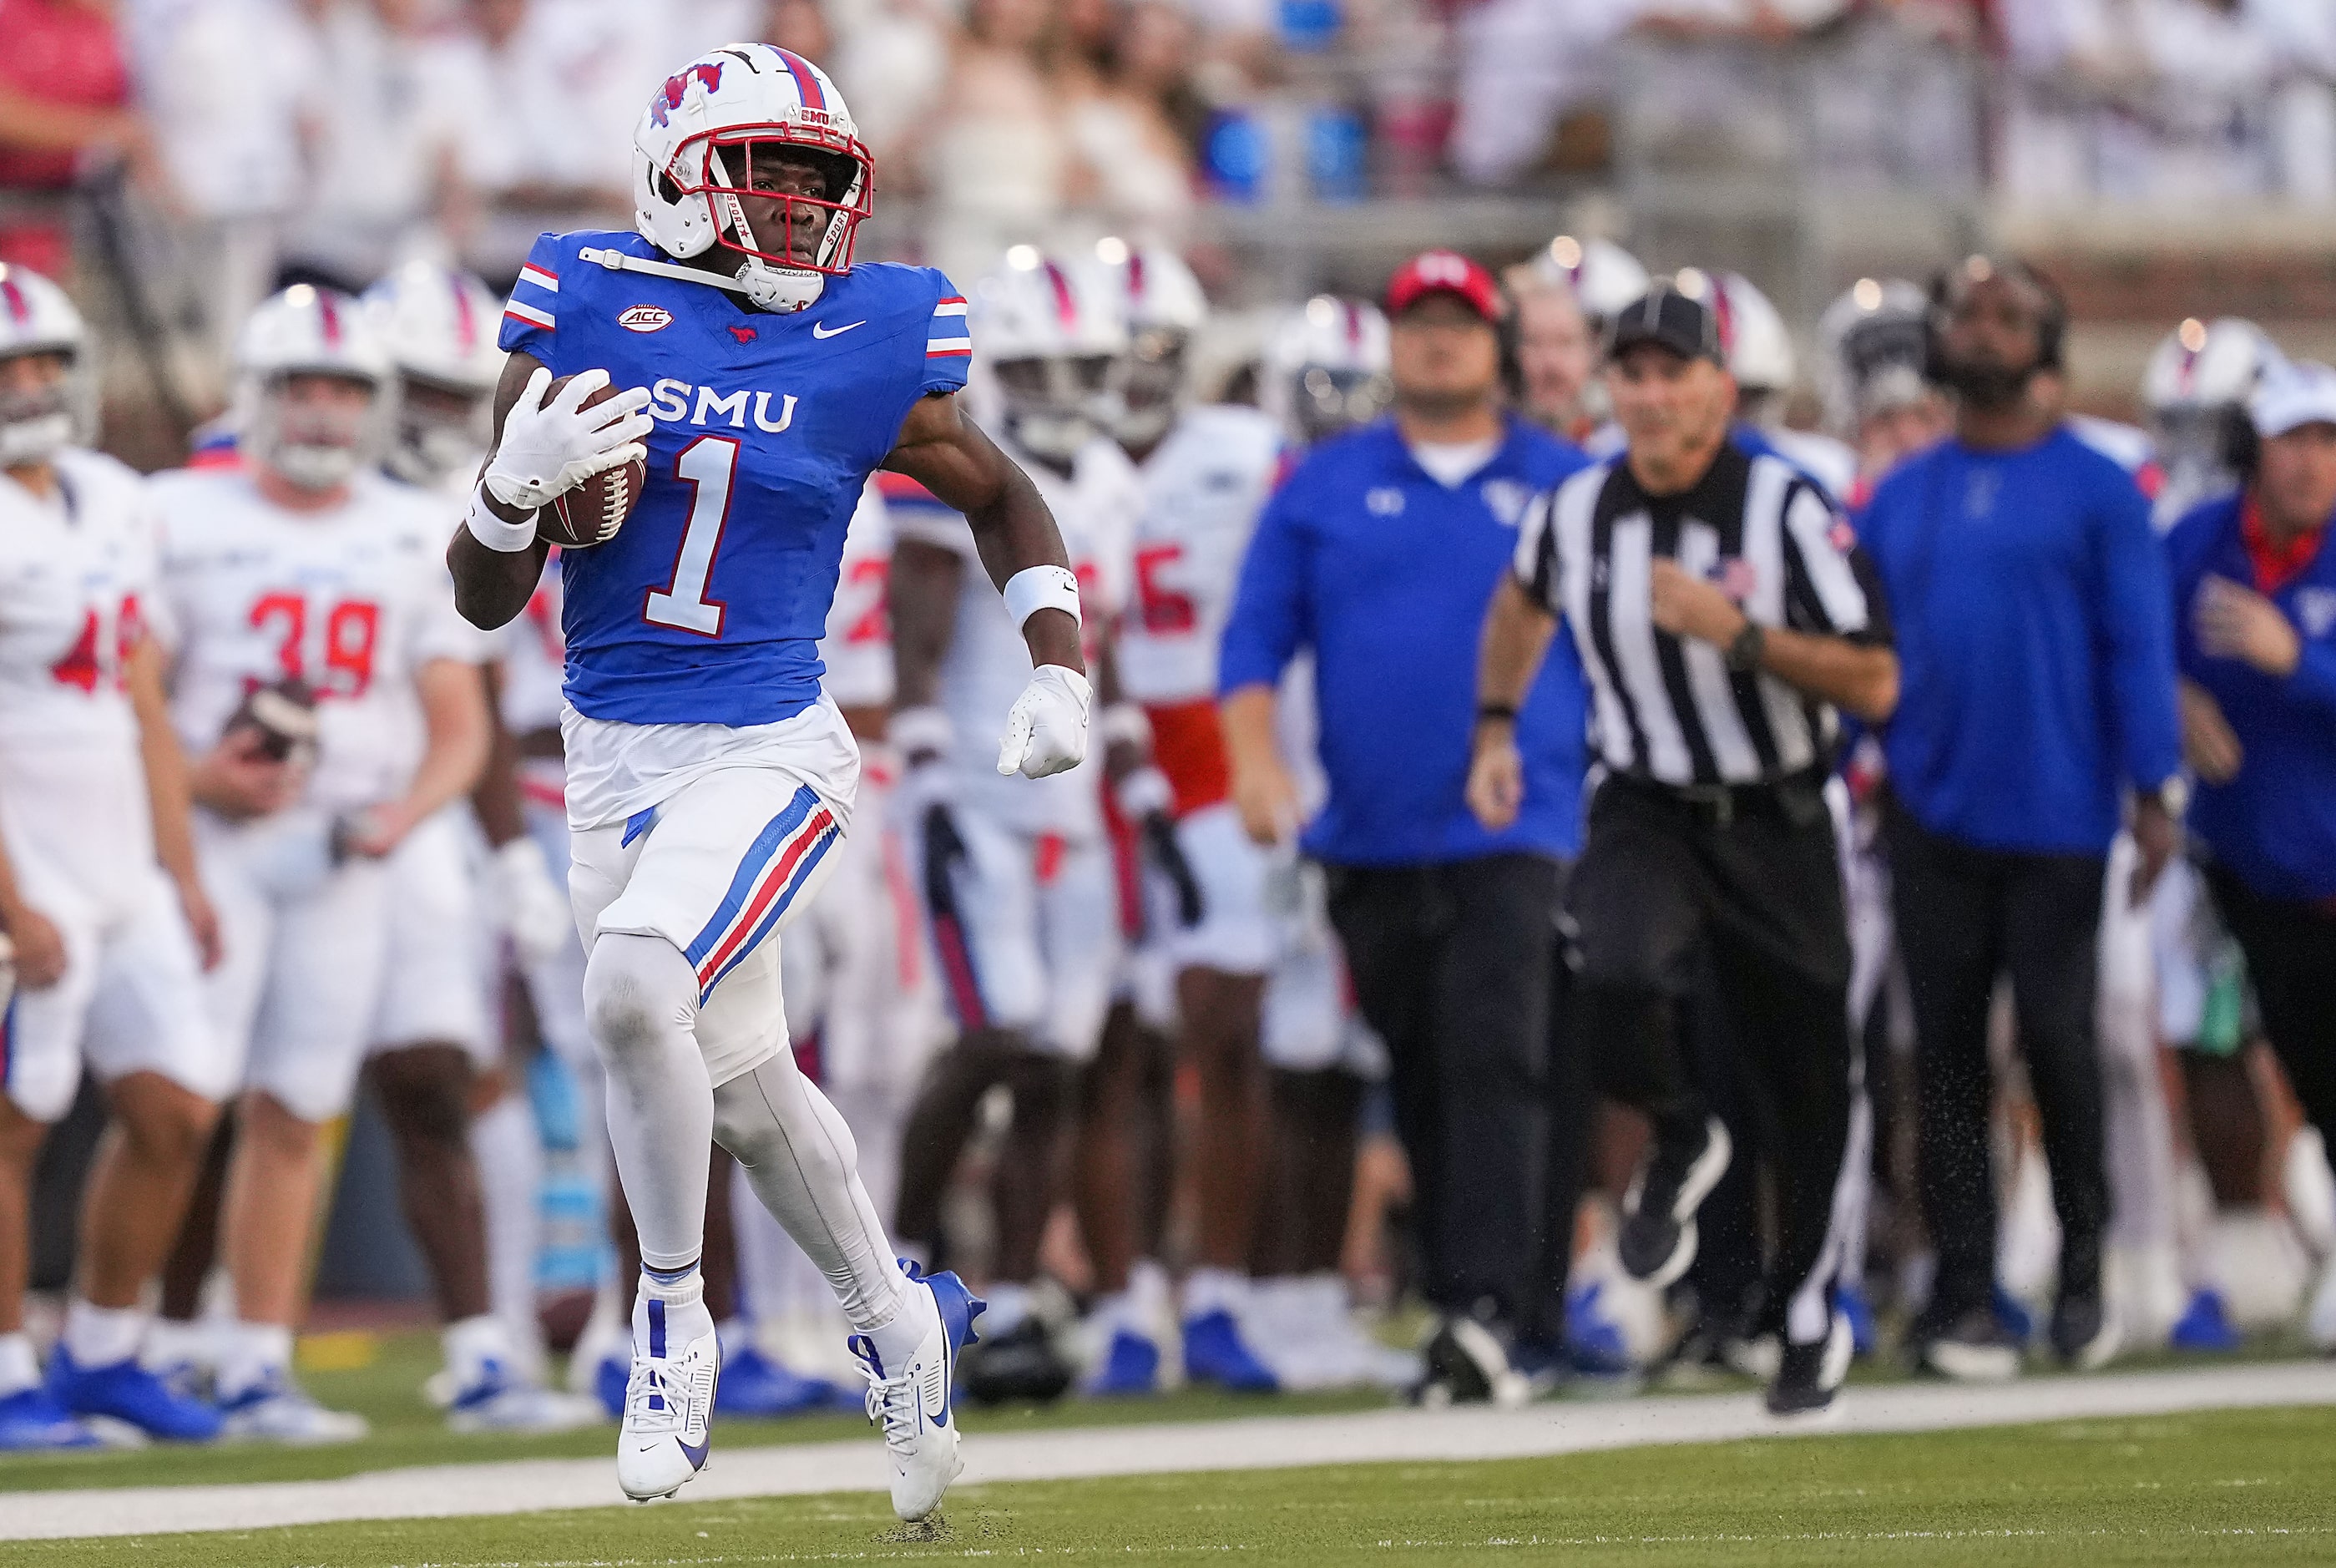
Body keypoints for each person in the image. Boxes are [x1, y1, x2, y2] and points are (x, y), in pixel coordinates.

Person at [449, 46, 1084, 1520]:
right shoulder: (583, 296)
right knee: (743, 1090)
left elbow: (998, 491)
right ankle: (897, 1316)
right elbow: (486, 599)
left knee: (626, 988)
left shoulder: (875, 328)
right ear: (674, 171)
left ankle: (667, 1323)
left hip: (772, 745)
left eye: (816, 176)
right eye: (764, 167)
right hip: (613, 752)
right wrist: (506, 491)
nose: (795, 202)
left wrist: (1056, 657)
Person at [1470, 281, 1899, 1417]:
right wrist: (1496, 727)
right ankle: (1677, 1125)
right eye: (1633, 373)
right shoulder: (1572, 512)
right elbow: (1519, 606)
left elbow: (1875, 676)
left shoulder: (1784, 509)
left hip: (1780, 814)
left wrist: (1741, 635)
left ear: (1718, 383)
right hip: (1645, 803)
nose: (1652, 396)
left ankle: (1807, 1305)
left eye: (1674, 373)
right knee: (1607, 970)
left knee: (1809, 1075)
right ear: (1609, 386)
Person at [1219, 250, 1588, 1401]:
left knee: (1496, 1054)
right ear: (1389, 344)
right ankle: (1481, 1310)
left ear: (1497, 345)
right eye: (1417, 322)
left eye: (1458, 322)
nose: (1437, 341)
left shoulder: (1562, 479)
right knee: (1419, 1063)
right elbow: (1252, 639)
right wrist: (1252, 760)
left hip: (1520, 816)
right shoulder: (1322, 485)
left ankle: (1485, 1308)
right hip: (1371, 831)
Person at [148, 284, 492, 1440]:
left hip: (342, 845)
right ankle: (125, 1340)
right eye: (303, 384)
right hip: (210, 841)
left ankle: (253, 1362)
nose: (324, 409)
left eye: (345, 387)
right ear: (255, 394)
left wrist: (404, 815)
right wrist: (199, 781)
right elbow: (126, 690)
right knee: (175, 1103)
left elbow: (458, 722)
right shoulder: (173, 514)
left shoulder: (403, 526)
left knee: (299, 1105)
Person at [1858, 255, 2183, 1381]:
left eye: (2008, 317)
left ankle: (2084, 1270)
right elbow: (1868, 656)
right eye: (1968, 314)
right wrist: (1867, 769)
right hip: (1927, 809)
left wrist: (2153, 786)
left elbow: (2135, 645)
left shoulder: (2098, 488)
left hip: (2055, 810)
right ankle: (1960, 1289)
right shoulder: (1900, 495)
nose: (1984, 332)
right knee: (1941, 1059)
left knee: (2058, 1037)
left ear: (2045, 345)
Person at [886, 250, 1136, 1407]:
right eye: (1037, 362)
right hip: (980, 787)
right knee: (992, 1032)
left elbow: (1107, 635)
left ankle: (1027, 1286)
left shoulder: (1113, 481)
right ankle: (895, 1265)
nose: (1061, 384)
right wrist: (926, 732)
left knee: (1055, 1056)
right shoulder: (965, 455)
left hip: (1067, 802)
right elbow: (923, 604)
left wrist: (1124, 753)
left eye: (1078, 362)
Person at [357, 260, 604, 1432]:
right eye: (419, 387)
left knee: (535, 1061)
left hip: (519, 795)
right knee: (456, 1067)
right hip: (418, 809)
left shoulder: (529, 473)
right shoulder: (321, 499)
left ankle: (558, 1325)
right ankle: (493, 1331)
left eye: (469, 391)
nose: (449, 417)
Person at [0, 265, 225, 1449]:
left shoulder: (111, 496)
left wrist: (180, 870)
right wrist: (13, 898)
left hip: (119, 859)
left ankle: (100, 1347)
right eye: (7, 370)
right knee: (14, 1125)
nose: (28, 388)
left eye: (41, 364)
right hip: (22, 861)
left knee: (177, 1107)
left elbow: (142, 699)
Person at [1089, 240, 1286, 1394]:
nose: (1126, 371)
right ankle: (1124, 1300)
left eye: (1151, 347)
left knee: (1227, 1020)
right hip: (1092, 767)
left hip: (1218, 749)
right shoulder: (1049, 457)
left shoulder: (1245, 454)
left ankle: (1219, 1290)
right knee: (1113, 1041)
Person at [2164, 357, 2336, 1352]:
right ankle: (2246, 1256)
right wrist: (2171, 704)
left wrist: (2295, 661)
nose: (2311, 462)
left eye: (2326, 441)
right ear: (2251, 450)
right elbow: (2132, 648)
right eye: (2292, 440)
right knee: (2302, 1067)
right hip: (2253, 869)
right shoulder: (2196, 543)